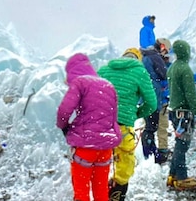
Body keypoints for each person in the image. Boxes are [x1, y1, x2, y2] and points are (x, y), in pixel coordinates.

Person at [56, 53, 122, 201]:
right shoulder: (108, 85)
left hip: (85, 147)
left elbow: (64, 110)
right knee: (101, 191)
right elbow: (113, 117)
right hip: (105, 149)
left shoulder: (80, 82)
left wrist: (64, 127)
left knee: (81, 193)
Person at [97, 48, 157, 201]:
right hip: (123, 127)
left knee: (99, 164)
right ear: (137, 59)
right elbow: (152, 103)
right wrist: (135, 114)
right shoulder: (140, 71)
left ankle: (99, 193)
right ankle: (117, 194)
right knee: (124, 165)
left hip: (100, 126)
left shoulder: (103, 70)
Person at [166, 40, 196, 191]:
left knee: (179, 143)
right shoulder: (185, 69)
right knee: (183, 144)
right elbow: (190, 94)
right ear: (185, 51)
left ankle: (173, 175)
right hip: (184, 113)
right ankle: (182, 177)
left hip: (174, 111)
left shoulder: (173, 68)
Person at [139, 37, 170, 164]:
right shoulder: (155, 57)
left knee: (149, 126)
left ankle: (149, 152)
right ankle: (152, 155)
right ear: (162, 47)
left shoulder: (146, 57)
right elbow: (164, 74)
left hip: (146, 94)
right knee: (152, 127)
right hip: (154, 95)